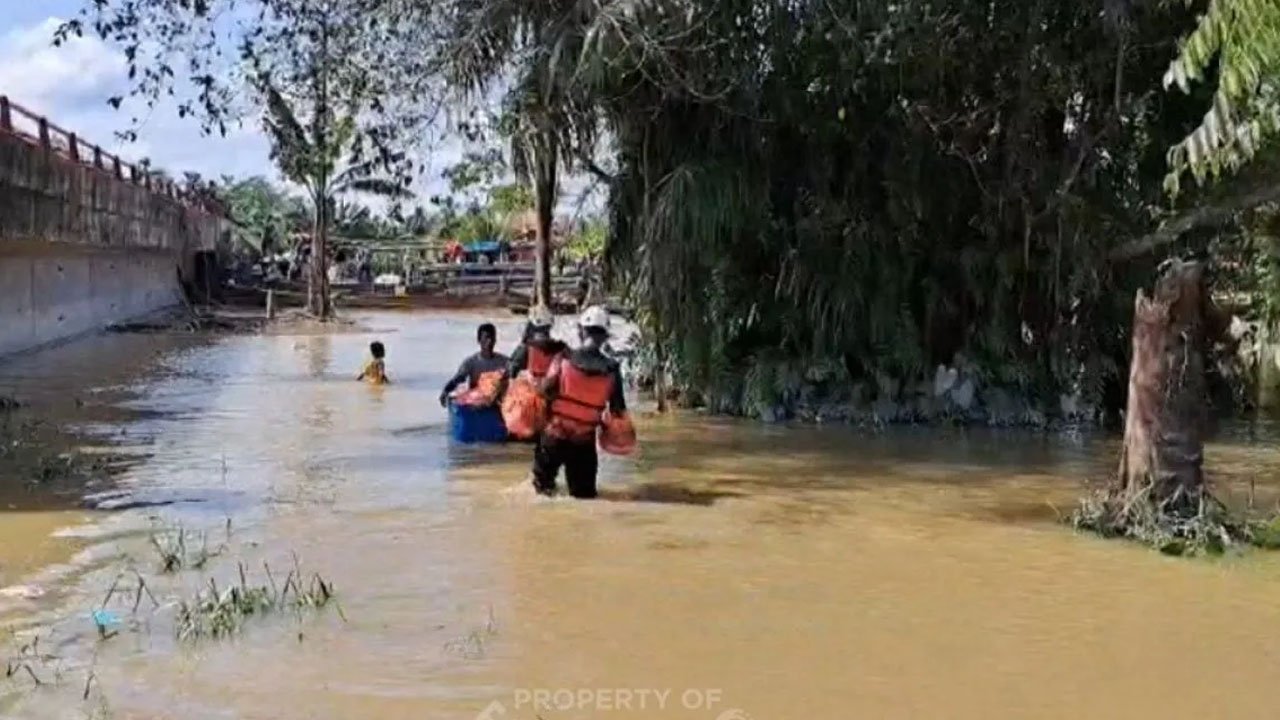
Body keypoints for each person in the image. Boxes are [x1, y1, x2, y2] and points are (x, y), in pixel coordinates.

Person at [530, 306, 626, 499]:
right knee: (584, 497)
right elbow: (617, 410)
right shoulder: (612, 370)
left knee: (541, 492)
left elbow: (545, 390)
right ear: (605, 337)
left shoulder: (563, 358)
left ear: (581, 331)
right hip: (584, 443)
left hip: (554, 438)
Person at [439, 323, 509, 407]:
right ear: (479, 340)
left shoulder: (504, 362)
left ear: (495, 340)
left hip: (497, 404)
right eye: (486, 337)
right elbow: (458, 378)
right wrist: (446, 391)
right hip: (476, 405)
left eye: (492, 337)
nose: (489, 341)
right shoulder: (471, 362)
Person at [508, 305, 567, 382]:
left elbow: (511, 371)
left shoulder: (525, 349)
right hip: (552, 391)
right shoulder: (561, 348)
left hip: (532, 390)